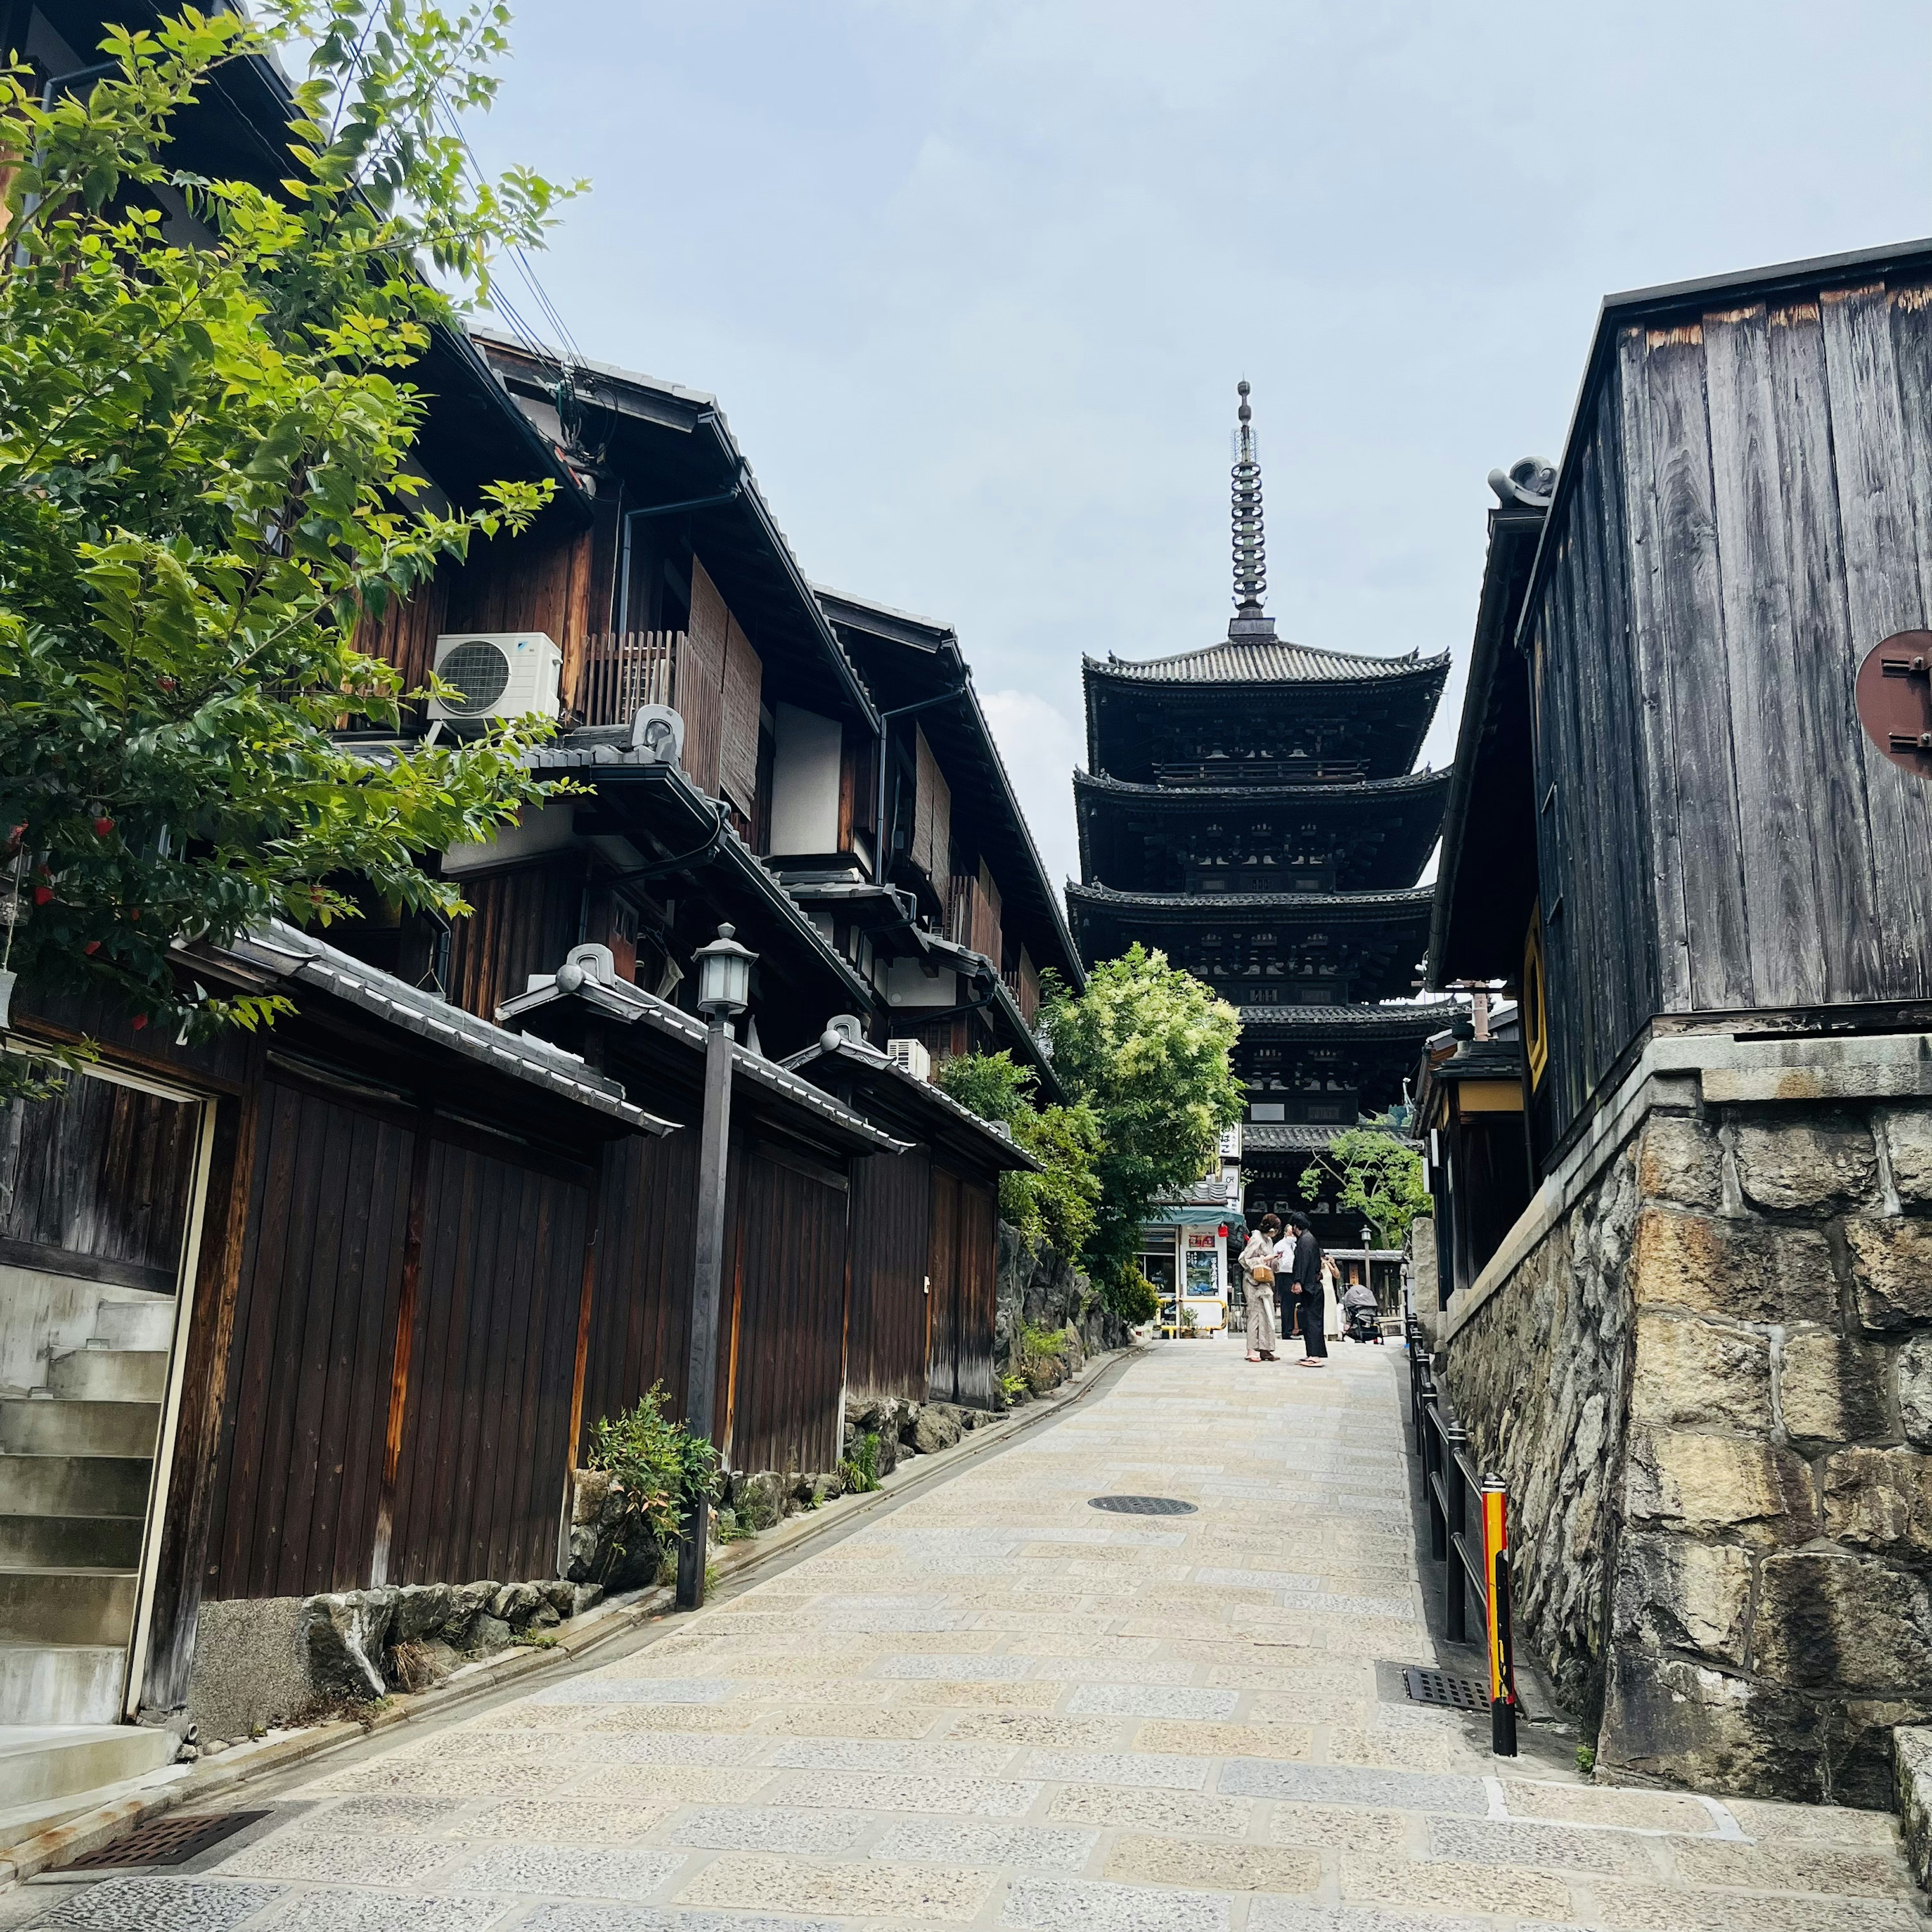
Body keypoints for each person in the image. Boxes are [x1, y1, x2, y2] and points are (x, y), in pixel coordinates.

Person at [1284, 1211, 1328, 1367]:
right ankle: (1312, 1354)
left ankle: (1315, 1355)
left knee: (1312, 1320)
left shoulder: (1305, 1241)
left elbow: (1303, 1264)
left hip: (1310, 1286)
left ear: (1296, 1227)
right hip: (1312, 1285)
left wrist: (1298, 1281)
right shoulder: (1309, 1239)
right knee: (1310, 1320)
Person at [1238, 1216, 1279, 1361]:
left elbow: (1271, 1262)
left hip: (1265, 1280)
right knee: (1255, 1314)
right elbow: (1246, 1259)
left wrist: (1275, 1260)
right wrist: (1264, 1259)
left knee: (1267, 1315)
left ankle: (1265, 1349)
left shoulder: (1269, 1240)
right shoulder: (1256, 1238)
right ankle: (1251, 1350)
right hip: (1253, 1280)